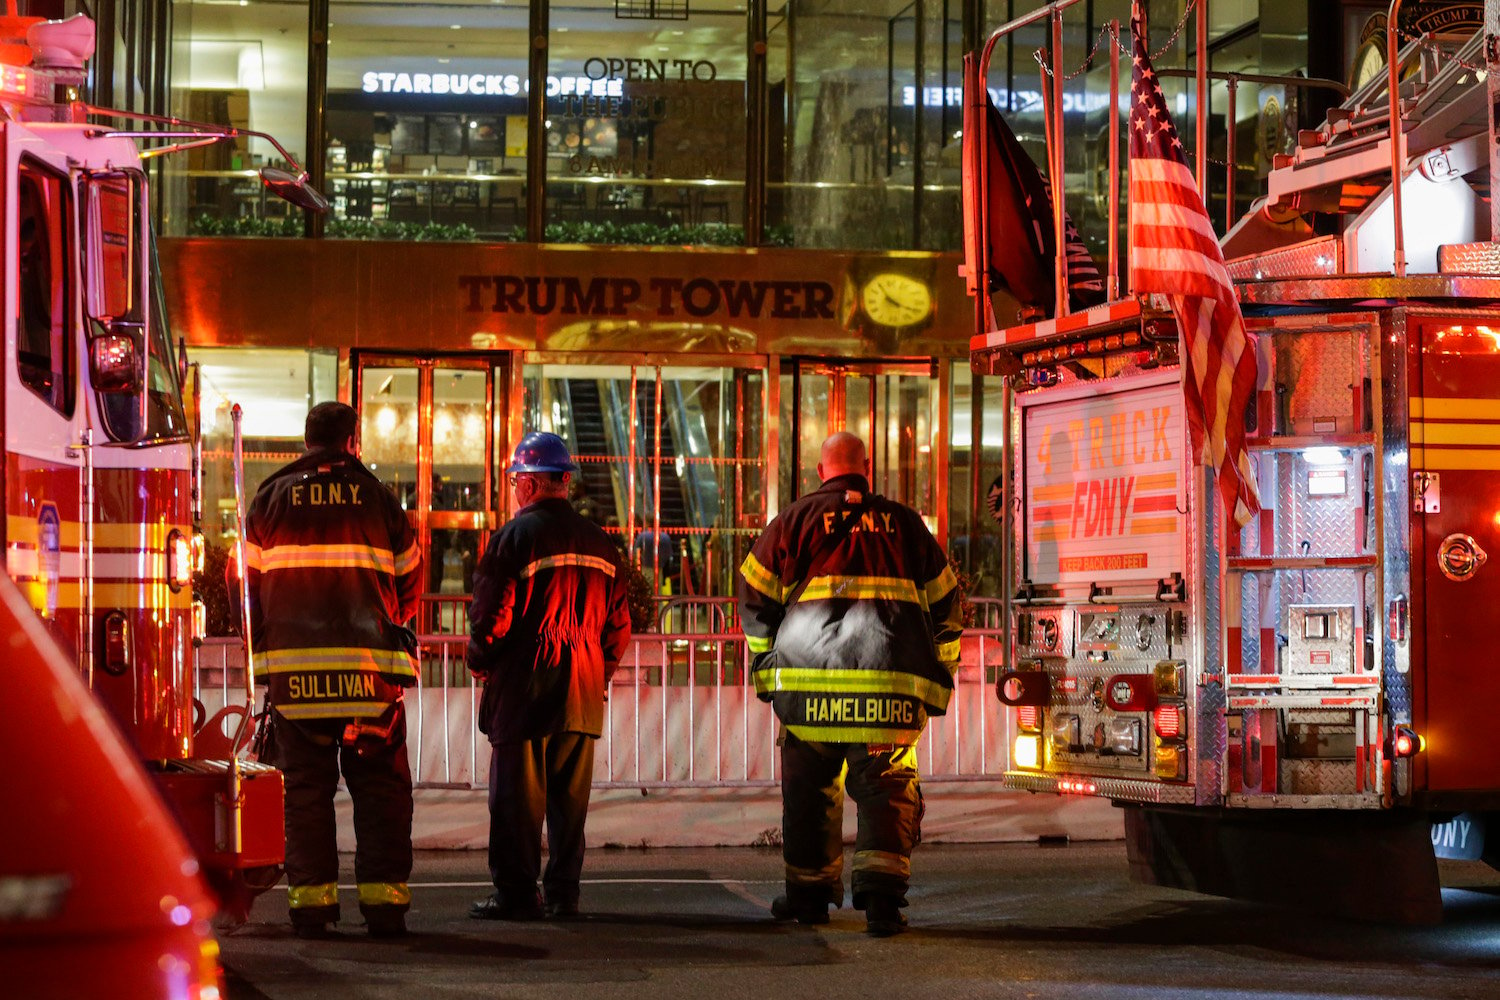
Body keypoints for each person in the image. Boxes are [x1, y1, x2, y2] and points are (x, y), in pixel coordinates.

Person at [737, 431, 962, 937]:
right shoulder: (905, 525)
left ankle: (809, 898)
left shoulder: (792, 521)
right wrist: (940, 672)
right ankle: (882, 904)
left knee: (809, 790)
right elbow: (947, 605)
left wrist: (768, 668)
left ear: (822, 472)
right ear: (867, 468)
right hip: (888, 696)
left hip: (806, 692)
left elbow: (753, 596)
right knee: (885, 790)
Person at [244, 401, 422, 939]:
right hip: (370, 680)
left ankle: (313, 910)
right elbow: (410, 585)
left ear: (305, 442)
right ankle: (385, 909)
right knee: (380, 791)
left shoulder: (269, 499)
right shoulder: (380, 499)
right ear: (352, 442)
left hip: (295, 682)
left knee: (304, 793)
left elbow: (245, 592)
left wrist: (272, 653)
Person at [467, 431, 633, 921]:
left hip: (525, 688)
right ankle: (564, 894)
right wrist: (597, 672)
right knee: (569, 803)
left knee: (517, 803)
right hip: (581, 689)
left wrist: (480, 661)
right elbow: (619, 625)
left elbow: (491, 617)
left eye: (518, 479)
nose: (516, 487)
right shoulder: (602, 544)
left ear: (532, 484)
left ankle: (517, 896)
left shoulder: (514, 538)